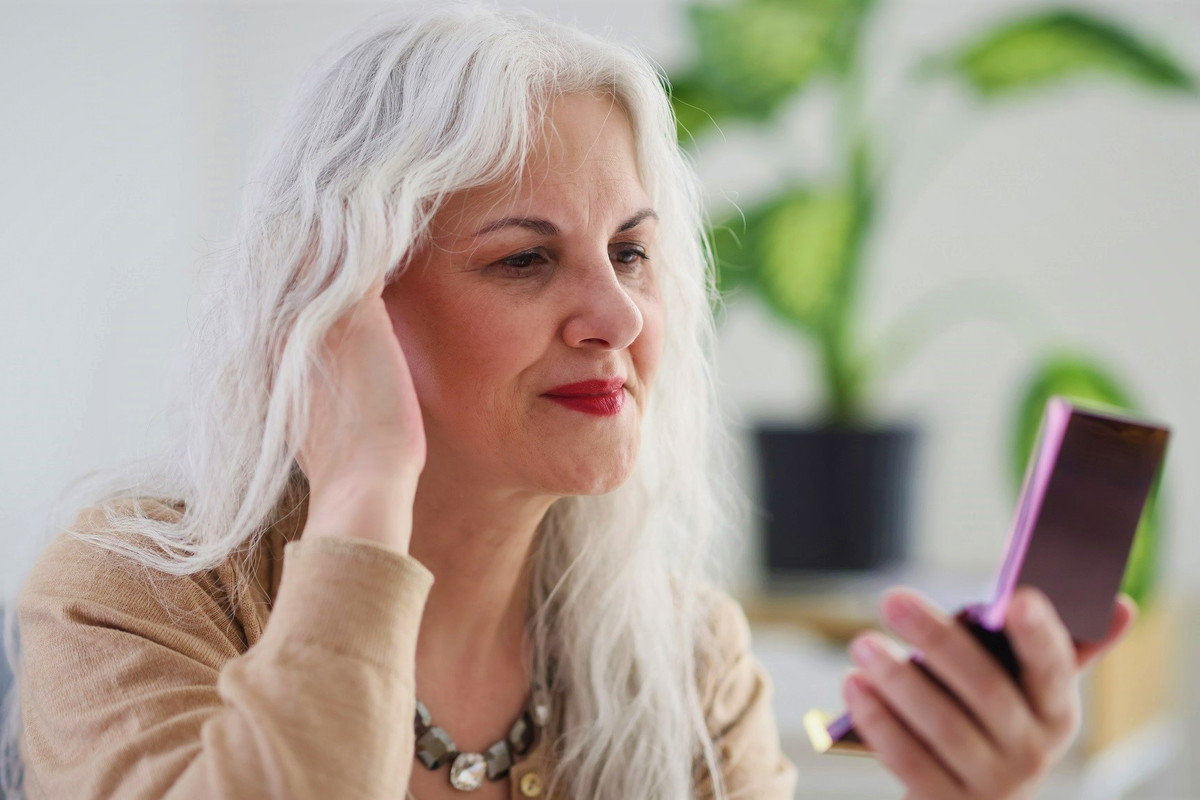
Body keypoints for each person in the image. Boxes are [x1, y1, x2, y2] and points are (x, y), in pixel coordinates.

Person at [3, 4, 1134, 800]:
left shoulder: (688, 662)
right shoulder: (133, 599)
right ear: (339, 305)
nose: (620, 317)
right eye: (524, 259)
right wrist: (364, 492)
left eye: (631, 253)